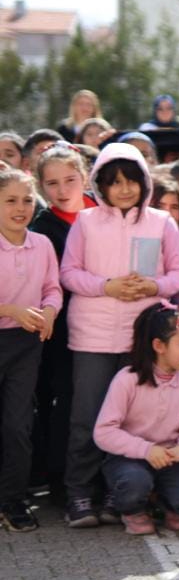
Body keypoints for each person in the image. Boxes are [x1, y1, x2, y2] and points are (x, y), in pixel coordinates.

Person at [58, 143, 179, 528]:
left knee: (134, 422)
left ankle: (121, 498)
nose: (125, 189)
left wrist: (154, 287)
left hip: (145, 336)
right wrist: (107, 286)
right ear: (100, 185)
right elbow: (69, 273)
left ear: (144, 182)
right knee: (87, 418)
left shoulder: (161, 222)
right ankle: (79, 494)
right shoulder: (85, 222)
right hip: (93, 337)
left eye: (131, 180)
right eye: (115, 182)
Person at [92, 304, 179, 533]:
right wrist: (146, 450)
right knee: (134, 482)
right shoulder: (126, 379)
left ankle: (162, 504)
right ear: (158, 346)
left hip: (170, 458)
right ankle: (132, 509)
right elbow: (104, 432)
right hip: (129, 458)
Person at [27, 147, 90, 504]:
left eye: (70, 179)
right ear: (41, 186)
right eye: (52, 183)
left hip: (112, 326)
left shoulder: (104, 210)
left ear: (85, 176)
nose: (63, 189)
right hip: (63, 329)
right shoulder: (43, 228)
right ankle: (61, 481)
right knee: (65, 401)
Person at [0, 168, 61, 531]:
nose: (20, 208)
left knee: (18, 425)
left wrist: (50, 310)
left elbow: (53, 288)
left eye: (26, 200)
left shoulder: (42, 245)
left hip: (27, 346)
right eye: (10, 200)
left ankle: (12, 502)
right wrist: (11, 311)